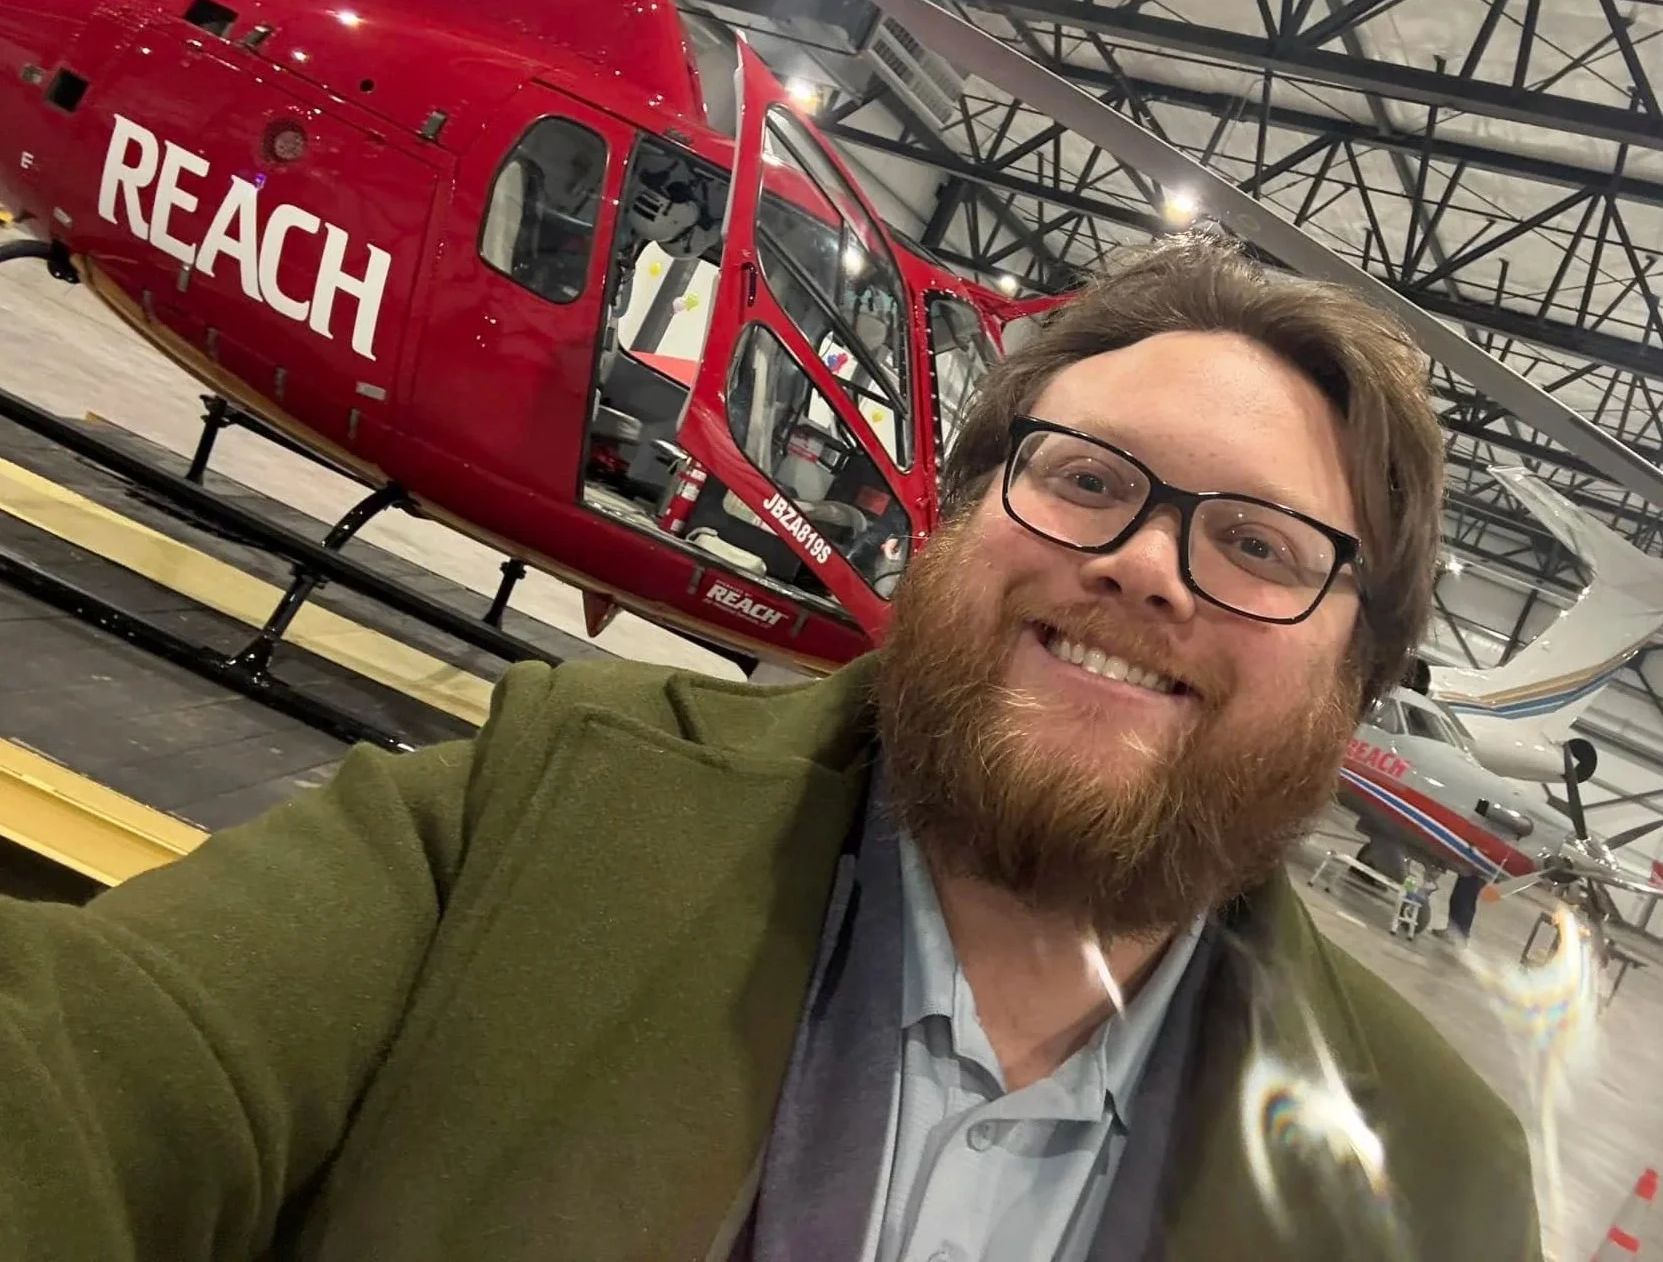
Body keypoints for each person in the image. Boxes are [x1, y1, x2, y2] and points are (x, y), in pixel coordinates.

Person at [0, 231, 1541, 1261]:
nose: (1142, 563)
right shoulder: (545, 807)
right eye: (1082, 480)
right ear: (953, 524)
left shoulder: (1444, 1185)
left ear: (1356, 678)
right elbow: (79, 1060)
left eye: (1261, 549)